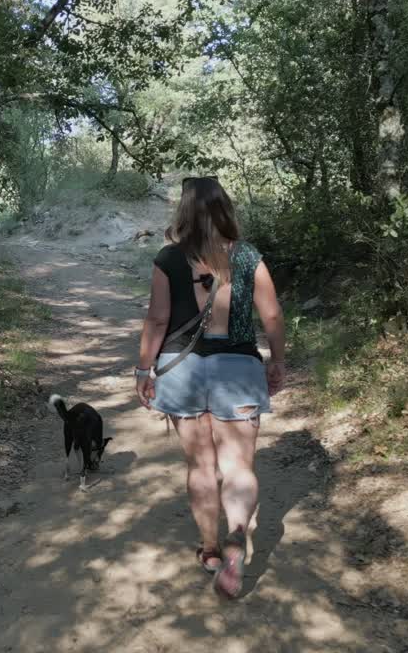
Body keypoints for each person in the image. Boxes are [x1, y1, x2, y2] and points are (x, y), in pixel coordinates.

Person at [133, 176, 286, 600]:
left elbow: (158, 320)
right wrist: (278, 361)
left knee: (200, 466)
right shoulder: (249, 257)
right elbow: (271, 316)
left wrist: (144, 371)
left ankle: (212, 550)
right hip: (237, 366)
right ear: (224, 207)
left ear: (184, 211)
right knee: (238, 466)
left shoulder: (168, 258)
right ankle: (238, 532)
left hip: (182, 370)